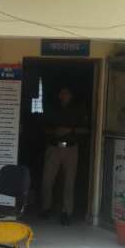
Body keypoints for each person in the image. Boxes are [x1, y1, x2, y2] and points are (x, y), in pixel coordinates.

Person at [40, 86, 89, 225]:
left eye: (66, 93)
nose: (63, 95)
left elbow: (86, 129)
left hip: (71, 148)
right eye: (61, 92)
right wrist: (55, 131)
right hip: (53, 147)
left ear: (71, 95)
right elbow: (43, 127)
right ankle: (46, 208)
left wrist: (69, 130)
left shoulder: (78, 110)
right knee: (47, 180)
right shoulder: (53, 109)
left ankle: (66, 213)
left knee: (69, 182)